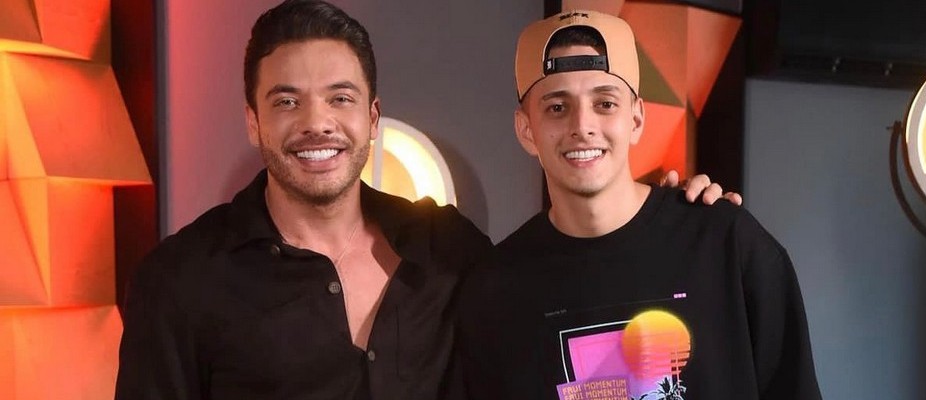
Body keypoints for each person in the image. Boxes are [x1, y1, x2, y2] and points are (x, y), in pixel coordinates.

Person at [114, 1, 737, 399]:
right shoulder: (180, 282)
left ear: (372, 116)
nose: (316, 122)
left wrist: (664, 218)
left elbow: (565, 293)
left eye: (340, 98)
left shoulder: (447, 246)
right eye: (286, 101)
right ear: (253, 121)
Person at [455, 10, 821, 400]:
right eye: (557, 107)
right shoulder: (495, 291)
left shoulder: (728, 245)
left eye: (605, 103)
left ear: (636, 118)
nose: (583, 126)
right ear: (526, 129)